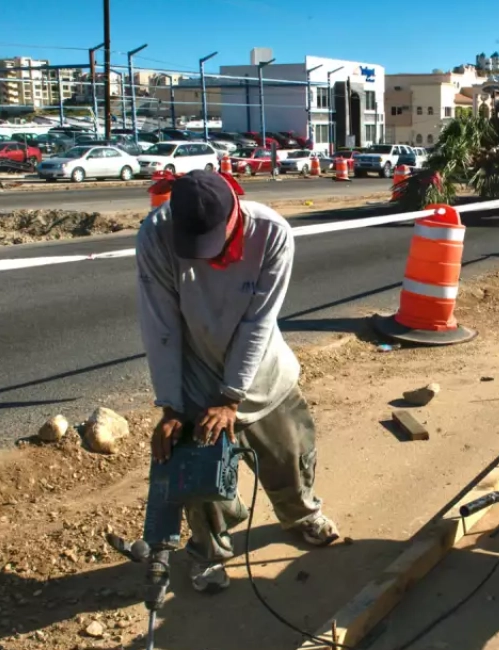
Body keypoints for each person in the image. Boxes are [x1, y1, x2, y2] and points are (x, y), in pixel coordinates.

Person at [132, 170, 339, 593]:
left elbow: (257, 323)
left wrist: (231, 397)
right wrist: (171, 404)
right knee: (198, 476)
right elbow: (161, 323)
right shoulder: (156, 237)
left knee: (290, 454)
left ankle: (301, 514)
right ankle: (208, 555)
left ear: (234, 216)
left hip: (262, 373)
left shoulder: (272, 234)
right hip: (194, 378)